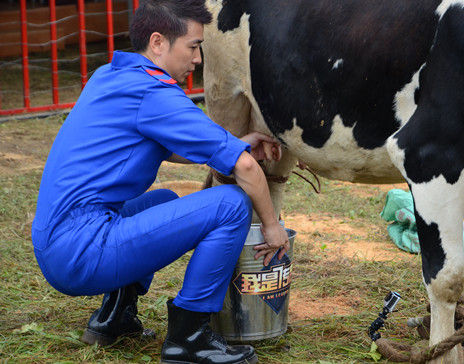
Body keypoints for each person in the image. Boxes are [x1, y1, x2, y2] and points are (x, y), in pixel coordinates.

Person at [31, 0, 289, 363]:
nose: (197, 60)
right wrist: (272, 226)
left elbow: (164, 144)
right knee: (231, 204)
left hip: (55, 241)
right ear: (158, 42)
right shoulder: (155, 93)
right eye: (194, 46)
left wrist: (234, 144)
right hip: (81, 252)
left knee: (164, 200)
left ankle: (114, 317)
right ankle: (189, 337)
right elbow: (245, 169)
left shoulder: (112, 74)